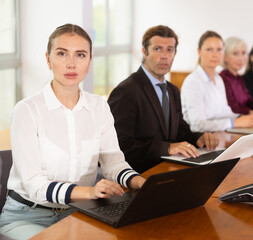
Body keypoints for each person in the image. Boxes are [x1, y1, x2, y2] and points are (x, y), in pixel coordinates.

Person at [0, 24, 145, 240]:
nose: (71, 63)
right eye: (61, 53)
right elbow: (35, 185)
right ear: (48, 60)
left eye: (80, 54)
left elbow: (113, 163)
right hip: (26, 216)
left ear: (89, 61)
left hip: (79, 212)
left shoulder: (99, 107)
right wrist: (90, 192)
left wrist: (141, 183)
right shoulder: (26, 110)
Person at [108, 25, 219, 173]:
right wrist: (167, 148)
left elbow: (179, 129)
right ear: (144, 51)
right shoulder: (126, 91)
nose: (164, 56)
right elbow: (121, 145)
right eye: (157, 49)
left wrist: (198, 137)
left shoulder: (172, 90)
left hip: (168, 169)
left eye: (170, 50)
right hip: (139, 174)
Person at [180, 31, 253, 132]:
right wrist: (235, 122)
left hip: (218, 135)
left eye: (219, 50)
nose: (215, 55)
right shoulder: (193, 82)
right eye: (209, 50)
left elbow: (224, 112)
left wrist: (241, 117)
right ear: (199, 52)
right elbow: (197, 125)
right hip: (199, 141)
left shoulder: (218, 79)